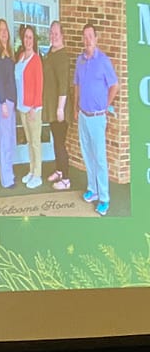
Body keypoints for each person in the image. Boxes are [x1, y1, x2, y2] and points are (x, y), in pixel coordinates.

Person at [74, 22, 119, 217]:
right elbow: (76, 84)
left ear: (96, 38)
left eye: (90, 36)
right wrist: (76, 107)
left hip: (97, 118)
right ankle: (92, 189)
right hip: (83, 115)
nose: (87, 40)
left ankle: (105, 198)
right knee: (87, 155)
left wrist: (105, 105)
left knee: (100, 159)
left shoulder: (104, 61)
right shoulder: (80, 60)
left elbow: (114, 86)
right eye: (85, 36)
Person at [42, 20, 74, 191]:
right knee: (56, 141)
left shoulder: (62, 56)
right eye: (51, 33)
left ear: (62, 36)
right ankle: (60, 170)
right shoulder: (50, 52)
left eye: (56, 33)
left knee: (60, 143)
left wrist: (60, 108)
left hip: (60, 109)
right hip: (53, 108)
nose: (53, 36)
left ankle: (66, 179)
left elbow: (63, 84)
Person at [0, 18, 18, 189]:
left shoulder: (9, 52)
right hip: (2, 100)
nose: (4, 33)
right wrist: (2, 103)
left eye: (6, 30)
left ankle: (10, 172)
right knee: (4, 139)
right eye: (1, 30)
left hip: (10, 100)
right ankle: (6, 179)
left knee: (10, 138)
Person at [15, 25, 44, 189]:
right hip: (22, 106)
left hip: (33, 108)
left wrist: (34, 106)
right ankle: (32, 170)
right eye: (26, 37)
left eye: (30, 37)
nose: (27, 40)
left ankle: (38, 175)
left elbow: (39, 85)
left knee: (35, 142)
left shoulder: (36, 59)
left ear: (34, 40)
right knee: (28, 141)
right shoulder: (20, 57)